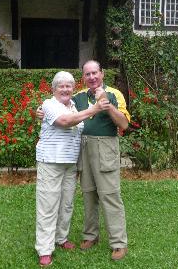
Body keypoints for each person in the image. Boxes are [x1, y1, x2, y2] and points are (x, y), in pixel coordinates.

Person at [37, 60, 130, 261]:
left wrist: (106, 105)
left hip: (105, 146)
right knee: (88, 194)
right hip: (82, 148)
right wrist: (41, 113)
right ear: (83, 78)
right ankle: (90, 236)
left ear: (102, 73)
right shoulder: (77, 97)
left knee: (109, 194)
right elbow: (59, 111)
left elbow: (123, 124)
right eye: (87, 74)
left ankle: (118, 242)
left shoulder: (114, 94)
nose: (92, 77)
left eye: (95, 73)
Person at [35, 70, 109, 267]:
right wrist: (94, 109)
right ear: (54, 89)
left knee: (66, 204)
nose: (65, 89)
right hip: (50, 162)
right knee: (48, 205)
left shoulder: (74, 106)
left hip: (70, 164)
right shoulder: (49, 105)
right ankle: (44, 249)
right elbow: (65, 122)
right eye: (61, 86)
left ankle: (61, 238)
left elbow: (76, 121)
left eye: (69, 85)